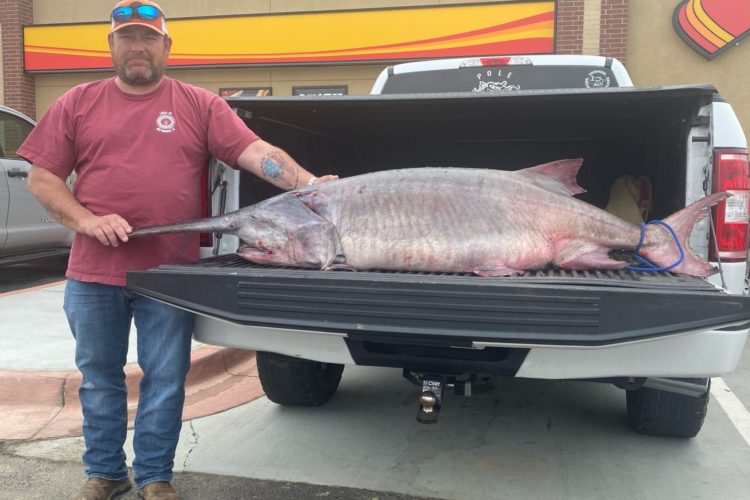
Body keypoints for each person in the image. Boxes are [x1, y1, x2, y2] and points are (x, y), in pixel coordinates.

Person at [18, 2, 337, 499]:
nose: (137, 47)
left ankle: (154, 478)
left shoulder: (199, 105)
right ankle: (105, 474)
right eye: (127, 38)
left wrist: (312, 186)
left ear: (167, 47)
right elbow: (42, 177)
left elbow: (257, 154)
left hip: (169, 274)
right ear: (111, 47)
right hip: (92, 275)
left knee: (165, 380)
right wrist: (87, 220)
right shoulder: (76, 103)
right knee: (99, 380)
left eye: (148, 38)